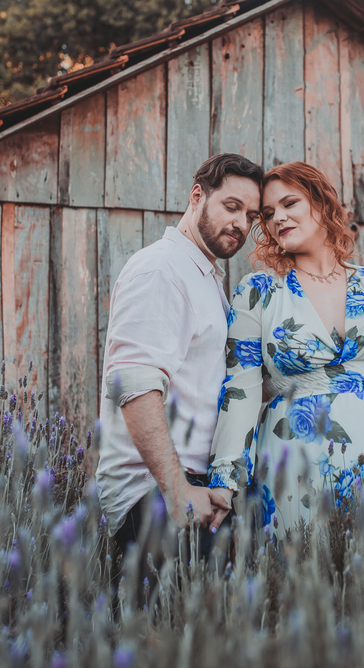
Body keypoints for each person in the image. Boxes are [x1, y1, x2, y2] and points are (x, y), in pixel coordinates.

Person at [207, 161, 364, 531]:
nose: (278, 218)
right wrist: (225, 480)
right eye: (268, 214)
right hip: (291, 468)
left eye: (289, 203)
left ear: (322, 204)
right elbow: (241, 391)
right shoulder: (258, 292)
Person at [96, 153, 263, 564]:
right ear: (196, 196)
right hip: (156, 492)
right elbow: (135, 385)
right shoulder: (162, 270)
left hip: (195, 486)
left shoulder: (203, 276)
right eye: (231, 206)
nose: (241, 224)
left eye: (251, 216)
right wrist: (177, 490)